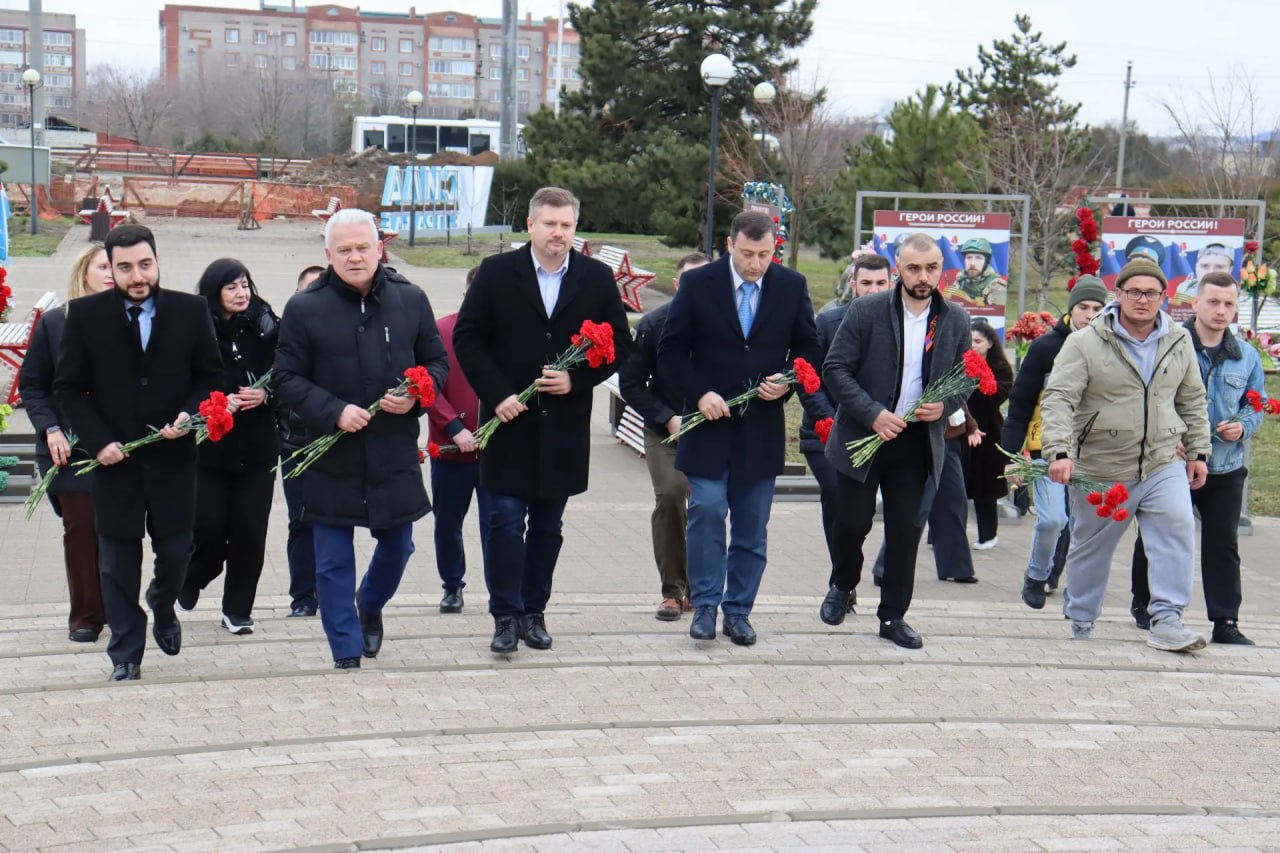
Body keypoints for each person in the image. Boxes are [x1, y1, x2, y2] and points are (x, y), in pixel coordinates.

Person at [453, 186, 629, 655]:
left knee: (548, 527)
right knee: (504, 521)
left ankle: (535, 612)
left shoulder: (595, 278)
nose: (558, 233)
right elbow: (468, 339)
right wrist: (498, 394)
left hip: (563, 428)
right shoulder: (496, 273)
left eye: (567, 225)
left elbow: (620, 345)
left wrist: (579, 380)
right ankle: (505, 616)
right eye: (549, 224)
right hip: (509, 421)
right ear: (530, 225)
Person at [274, 209, 449, 669]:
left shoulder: (411, 299)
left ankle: (369, 603)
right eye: (345, 250)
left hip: (392, 449)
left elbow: (437, 362)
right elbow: (286, 378)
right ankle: (345, 650)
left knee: (399, 546)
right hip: (331, 451)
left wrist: (416, 395)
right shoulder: (305, 307)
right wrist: (333, 411)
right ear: (328, 254)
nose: (355, 257)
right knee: (331, 560)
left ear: (379, 249)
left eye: (363, 248)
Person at [54, 224, 224, 681]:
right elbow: (69, 388)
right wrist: (98, 441)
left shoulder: (190, 312)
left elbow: (210, 377)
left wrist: (189, 415)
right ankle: (126, 652)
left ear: (157, 261)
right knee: (116, 563)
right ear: (111, 268)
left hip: (173, 461)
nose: (136, 276)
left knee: (176, 553)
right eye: (124, 267)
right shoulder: (86, 316)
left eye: (144, 264)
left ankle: (163, 603)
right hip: (115, 463)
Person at [659, 209, 821, 646]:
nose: (755, 263)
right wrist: (699, 394)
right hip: (708, 426)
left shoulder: (792, 286)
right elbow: (671, 352)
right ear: (730, 245)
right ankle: (706, 605)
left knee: (752, 526)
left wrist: (786, 380)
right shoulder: (698, 284)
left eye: (765, 254)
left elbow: (809, 348)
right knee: (707, 511)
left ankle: (739, 611)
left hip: (760, 430)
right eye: (748, 253)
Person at [1040, 258, 1211, 651]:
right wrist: (1059, 451)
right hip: (1101, 465)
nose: (1142, 299)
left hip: (1162, 460)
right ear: (1117, 295)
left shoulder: (1179, 340)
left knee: (1177, 529)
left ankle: (1168, 618)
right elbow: (1060, 398)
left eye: (1151, 293)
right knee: (1091, 548)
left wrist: (1198, 451)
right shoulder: (1085, 341)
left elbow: (1192, 398)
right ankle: (1081, 620)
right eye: (1133, 291)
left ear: (1162, 299)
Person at [818, 232, 972, 649]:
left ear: (942, 269)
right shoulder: (866, 311)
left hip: (915, 442)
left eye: (932, 268)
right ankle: (842, 583)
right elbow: (835, 369)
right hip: (862, 437)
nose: (923, 277)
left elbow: (966, 376)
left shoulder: (955, 319)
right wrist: (872, 413)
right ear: (898, 269)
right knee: (851, 523)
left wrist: (945, 407)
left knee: (906, 531)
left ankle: (892, 618)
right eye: (914, 268)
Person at [1129, 271, 1262, 644]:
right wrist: (1170, 438)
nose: (1221, 311)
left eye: (1229, 304)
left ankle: (1225, 621)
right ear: (1196, 304)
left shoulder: (1247, 356)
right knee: (1160, 535)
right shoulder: (1169, 345)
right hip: (1171, 463)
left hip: (1224, 464)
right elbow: (1151, 398)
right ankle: (1145, 604)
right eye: (1214, 302)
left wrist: (1243, 426)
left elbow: (1257, 405)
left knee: (1222, 543)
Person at [17, 244, 114, 643]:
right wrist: (50, 429)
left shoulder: (135, 323)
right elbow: (33, 385)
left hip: (120, 445)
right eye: (105, 266)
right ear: (84, 273)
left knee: (116, 531)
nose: (113, 272)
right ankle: (87, 616)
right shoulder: (56, 324)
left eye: (119, 267)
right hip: (68, 448)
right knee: (81, 527)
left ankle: (120, 608)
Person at [178, 260, 279, 635]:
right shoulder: (195, 329)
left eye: (245, 285)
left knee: (250, 532)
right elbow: (184, 382)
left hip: (258, 449)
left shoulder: (267, 325)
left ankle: (238, 609)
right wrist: (213, 403)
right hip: (211, 449)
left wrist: (267, 393)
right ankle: (194, 575)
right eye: (232, 287)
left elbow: (290, 372)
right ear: (214, 291)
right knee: (208, 528)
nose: (242, 294)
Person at [1002, 276, 1108, 609]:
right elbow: (1019, 402)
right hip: (1043, 447)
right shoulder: (1047, 347)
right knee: (1052, 519)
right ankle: (1036, 575)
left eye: (1097, 309)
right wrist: (1011, 455)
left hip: (1093, 451)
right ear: (1071, 309)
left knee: (1086, 526)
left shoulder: (1112, 347)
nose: (1090, 315)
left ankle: (1076, 588)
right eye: (1083, 307)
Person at [618, 252, 710, 621]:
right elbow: (631, 382)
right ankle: (673, 591)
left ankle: (703, 590)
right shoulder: (654, 324)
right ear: (677, 285)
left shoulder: (731, 326)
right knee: (672, 494)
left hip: (715, 429)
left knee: (709, 505)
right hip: (666, 428)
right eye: (690, 281)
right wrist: (666, 417)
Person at [799, 252, 892, 614]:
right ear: (853, 284)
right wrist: (829, 419)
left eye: (880, 283)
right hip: (826, 431)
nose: (872, 289)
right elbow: (809, 378)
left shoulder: (900, 324)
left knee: (861, 513)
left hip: (879, 431)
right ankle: (843, 580)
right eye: (865, 283)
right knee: (838, 497)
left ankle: (847, 572)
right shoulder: (829, 322)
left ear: (891, 283)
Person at [425, 265, 492, 614]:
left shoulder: (506, 332)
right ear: (466, 295)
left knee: (498, 523)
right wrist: (454, 428)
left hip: (497, 450)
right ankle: (452, 585)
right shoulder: (440, 331)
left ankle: (501, 589)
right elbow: (429, 389)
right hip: (451, 449)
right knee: (448, 521)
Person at [278, 265, 325, 618]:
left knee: (335, 521)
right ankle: (303, 596)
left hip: (337, 440)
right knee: (301, 519)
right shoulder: (282, 337)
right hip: (295, 442)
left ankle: (333, 589)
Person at [965, 320, 1014, 550]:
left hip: (988, 431)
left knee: (985, 487)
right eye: (970, 340)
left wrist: (979, 378)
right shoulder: (958, 363)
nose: (973, 345)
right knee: (953, 486)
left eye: (978, 341)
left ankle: (987, 535)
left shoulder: (1000, 367)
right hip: (959, 429)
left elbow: (998, 395)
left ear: (990, 343)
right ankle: (940, 536)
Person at [949, 238, 1006, 306]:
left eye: (978, 258)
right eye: (969, 257)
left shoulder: (996, 285)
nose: (972, 263)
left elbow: (998, 313)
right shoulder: (960, 280)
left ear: (986, 261)